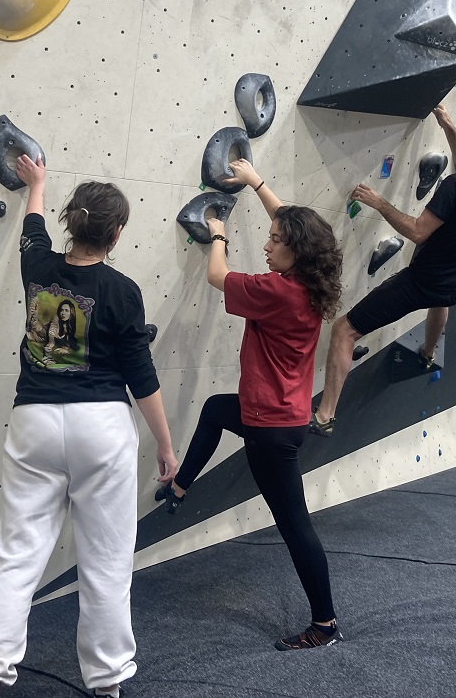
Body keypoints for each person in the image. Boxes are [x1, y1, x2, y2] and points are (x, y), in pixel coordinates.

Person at [0, 154, 178, 698]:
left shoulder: (37, 268)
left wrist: (37, 184)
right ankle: (107, 684)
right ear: (116, 233)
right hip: (100, 426)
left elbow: (32, 229)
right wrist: (166, 444)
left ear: (71, 222)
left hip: (33, 421)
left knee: (17, 558)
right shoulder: (123, 290)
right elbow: (141, 376)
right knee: (106, 563)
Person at [153, 158, 346, 651]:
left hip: (270, 429)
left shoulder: (276, 291)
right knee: (217, 409)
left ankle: (324, 624)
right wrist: (257, 183)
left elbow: (217, 275)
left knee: (295, 528)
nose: (266, 245)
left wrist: (217, 232)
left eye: (274, 241)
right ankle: (180, 487)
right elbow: (292, 223)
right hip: (282, 413)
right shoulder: (311, 281)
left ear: (295, 251)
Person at [311, 106, 456, 436]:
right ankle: (427, 353)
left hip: (422, 282)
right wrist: (449, 126)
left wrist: (379, 202)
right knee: (442, 302)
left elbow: (417, 231)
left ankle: (325, 416)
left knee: (345, 330)